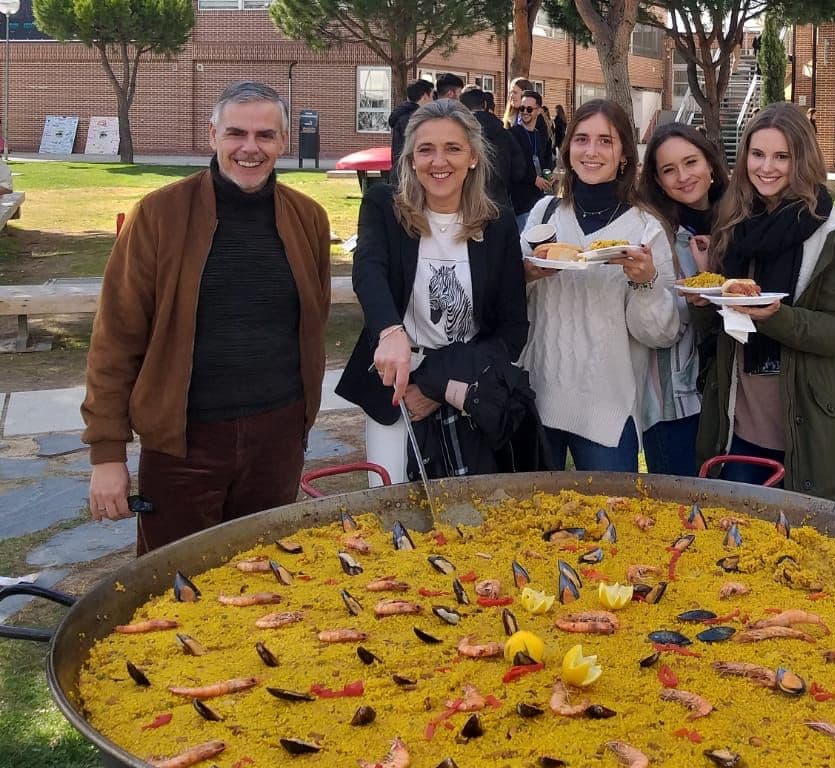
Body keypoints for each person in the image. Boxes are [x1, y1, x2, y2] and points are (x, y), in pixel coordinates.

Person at [82, 81, 331, 553]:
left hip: (277, 437)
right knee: (174, 580)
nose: (250, 148)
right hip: (183, 443)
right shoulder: (159, 215)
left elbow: (312, 321)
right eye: (236, 133)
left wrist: (298, 424)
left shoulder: (308, 218)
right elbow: (115, 338)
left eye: (265, 135)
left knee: (265, 573)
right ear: (212, 134)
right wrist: (107, 453)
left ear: (283, 141)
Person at [694, 103, 835, 504]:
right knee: (738, 535)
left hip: (807, 426)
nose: (766, 167)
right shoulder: (734, 223)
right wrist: (705, 288)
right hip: (737, 420)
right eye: (757, 154)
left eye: (781, 156)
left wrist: (776, 317)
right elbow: (719, 327)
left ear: (803, 159)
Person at [335, 100, 531, 482]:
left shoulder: (499, 224)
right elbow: (369, 270)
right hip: (394, 386)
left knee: (470, 509)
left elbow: (512, 331)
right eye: (426, 149)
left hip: (465, 382)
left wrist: (433, 385)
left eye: (452, 148)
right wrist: (389, 331)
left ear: (472, 157)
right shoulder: (383, 206)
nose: (438, 161)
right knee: (391, 500)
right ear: (410, 159)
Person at [520, 98, 679, 471]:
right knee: (532, 508)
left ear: (624, 154)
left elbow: (661, 334)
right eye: (582, 139)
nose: (591, 151)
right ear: (568, 148)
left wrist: (646, 283)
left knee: (611, 509)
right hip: (537, 396)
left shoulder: (645, 230)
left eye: (605, 141)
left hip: (608, 410)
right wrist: (526, 275)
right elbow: (508, 303)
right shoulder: (544, 215)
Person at [636, 123, 728, 476]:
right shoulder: (652, 233)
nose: (684, 177)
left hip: (732, 396)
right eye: (669, 170)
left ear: (710, 163)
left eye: (691, 162)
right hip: (675, 401)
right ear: (658, 181)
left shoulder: (740, 222)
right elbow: (657, 320)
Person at [460, 86, 525, 210]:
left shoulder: (458, 134)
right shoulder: (505, 134)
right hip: (500, 201)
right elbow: (518, 170)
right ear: (485, 105)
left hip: (467, 202)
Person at [509, 89, 555, 229]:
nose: (525, 112)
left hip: (538, 199)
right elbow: (512, 166)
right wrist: (533, 179)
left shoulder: (539, 135)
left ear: (539, 110)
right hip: (521, 201)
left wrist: (548, 176)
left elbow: (544, 160)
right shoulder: (512, 134)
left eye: (529, 109)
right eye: (522, 108)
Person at [389, 79, 433, 186]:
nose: (433, 101)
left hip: (399, 171)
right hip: (411, 175)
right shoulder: (418, 118)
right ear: (425, 96)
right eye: (432, 96)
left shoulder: (401, 115)